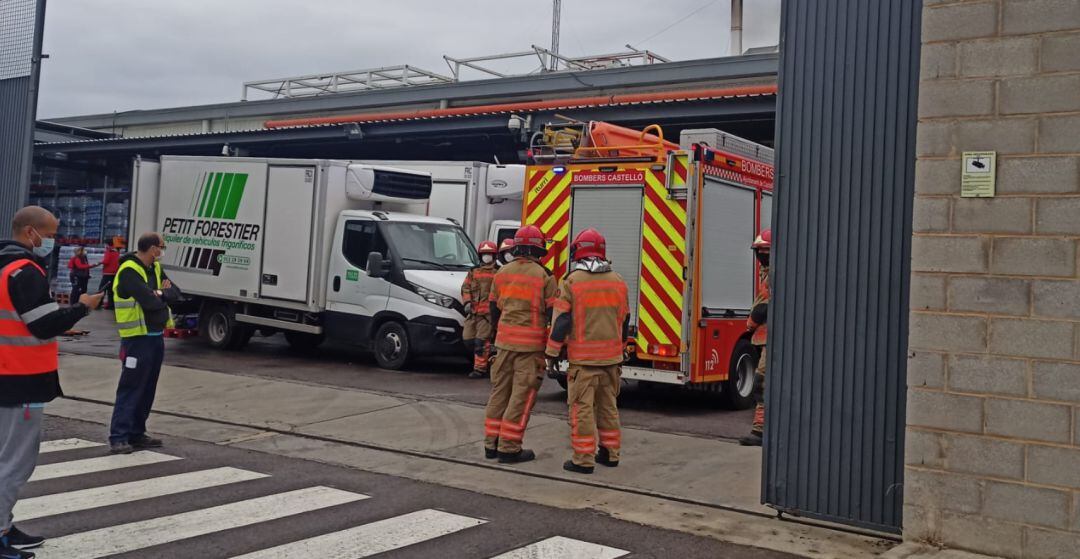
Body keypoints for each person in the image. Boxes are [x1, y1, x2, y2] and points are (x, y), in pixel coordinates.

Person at [0, 206, 102, 559]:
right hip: (20, 379)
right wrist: (82, 307)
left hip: (5, 375)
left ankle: (5, 526)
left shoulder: (2, 266)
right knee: (15, 462)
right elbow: (42, 325)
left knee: (4, 457)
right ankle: (0, 532)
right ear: (31, 233)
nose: (53, 241)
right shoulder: (24, 271)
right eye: (51, 233)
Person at [546, 229, 629, 474]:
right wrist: (620, 350)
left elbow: (562, 321)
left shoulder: (572, 281)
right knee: (608, 407)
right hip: (611, 360)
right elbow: (624, 319)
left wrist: (552, 352)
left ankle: (583, 460)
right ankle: (610, 454)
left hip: (584, 361)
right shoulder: (618, 281)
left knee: (582, 409)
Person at [483, 225, 557, 464]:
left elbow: (493, 310)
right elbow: (553, 312)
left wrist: (498, 336)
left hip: (504, 344)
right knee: (521, 397)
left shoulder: (501, 273)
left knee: (499, 394)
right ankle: (509, 447)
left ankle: (491, 444)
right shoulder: (544, 276)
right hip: (530, 348)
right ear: (537, 250)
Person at [108, 233, 181, 455]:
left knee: (147, 388)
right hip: (136, 339)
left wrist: (159, 293)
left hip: (154, 337)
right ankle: (119, 436)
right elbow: (148, 302)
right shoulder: (130, 270)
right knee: (131, 388)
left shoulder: (154, 270)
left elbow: (176, 293)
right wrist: (160, 293)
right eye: (161, 247)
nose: (162, 250)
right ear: (152, 249)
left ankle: (137, 433)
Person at [740, 229, 771, 447]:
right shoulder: (768, 272)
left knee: (761, 382)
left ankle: (759, 431)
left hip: (771, 339)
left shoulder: (773, 275)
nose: (760, 255)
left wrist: (750, 324)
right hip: (766, 340)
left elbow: (762, 309)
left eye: (764, 251)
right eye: (759, 251)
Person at [462, 241, 498, 379]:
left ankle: (480, 369)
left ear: (494, 255)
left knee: (481, 342)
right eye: (484, 254)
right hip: (473, 313)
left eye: (489, 254)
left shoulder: (498, 272)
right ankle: (486, 360)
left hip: (487, 315)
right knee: (468, 340)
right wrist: (467, 302)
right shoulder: (473, 271)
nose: (486, 257)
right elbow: (465, 287)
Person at [97, 240, 122, 310]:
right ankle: (111, 305)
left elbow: (106, 261)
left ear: (108, 245)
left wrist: (100, 262)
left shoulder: (108, 251)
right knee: (111, 290)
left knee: (102, 289)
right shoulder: (117, 252)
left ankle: (98, 303)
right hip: (114, 273)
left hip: (107, 273)